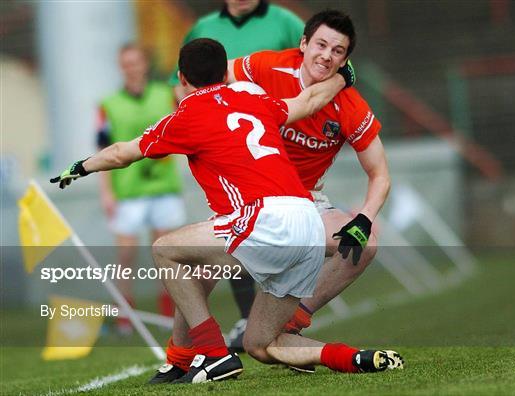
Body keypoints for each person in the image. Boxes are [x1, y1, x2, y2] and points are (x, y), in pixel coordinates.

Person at [51, 38, 403, 384]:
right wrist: (343, 77)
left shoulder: (185, 115)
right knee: (261, 343)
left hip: (262, 218)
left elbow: (121, 153)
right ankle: (352, 357)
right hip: (307, 220)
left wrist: (81, 167)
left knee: (165, 250)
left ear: (182, 79)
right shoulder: (251, 95)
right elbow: (305, 102)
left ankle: (213, 353)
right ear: (224, 72)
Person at [158, 9, 393, 379]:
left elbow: (379, 173)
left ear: (346, 61)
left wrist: (364, 218)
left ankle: (294, 318)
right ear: (303, 44)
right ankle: (179, 357)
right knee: (194, 267)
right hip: (252, 200)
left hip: (306, 203)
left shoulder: (350, 105)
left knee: (367, 243)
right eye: (320, 45)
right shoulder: (268, 68)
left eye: (337, 51)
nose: (326, 56)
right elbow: (210, 79)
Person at [170, 1, 305, 345]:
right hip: (226, 147)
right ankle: (253, 321)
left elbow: (309, 71)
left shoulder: (286, 22)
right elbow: (178, 84)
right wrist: (195, 116)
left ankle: (284, 320)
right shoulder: (202, 29)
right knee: (234, 230)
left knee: (237, 235)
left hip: (280, 140)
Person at [96, 44, 185, 332]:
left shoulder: (165, 94)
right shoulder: (108, 104)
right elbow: (101, 148)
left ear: (145, 64)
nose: (131, 68)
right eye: (125, 64)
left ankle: (169, 310)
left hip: (163, 187)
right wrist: (106, 191)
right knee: (125, 255)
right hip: (128, 191)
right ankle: (126, 314)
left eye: (135, 62)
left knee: (165, 251)